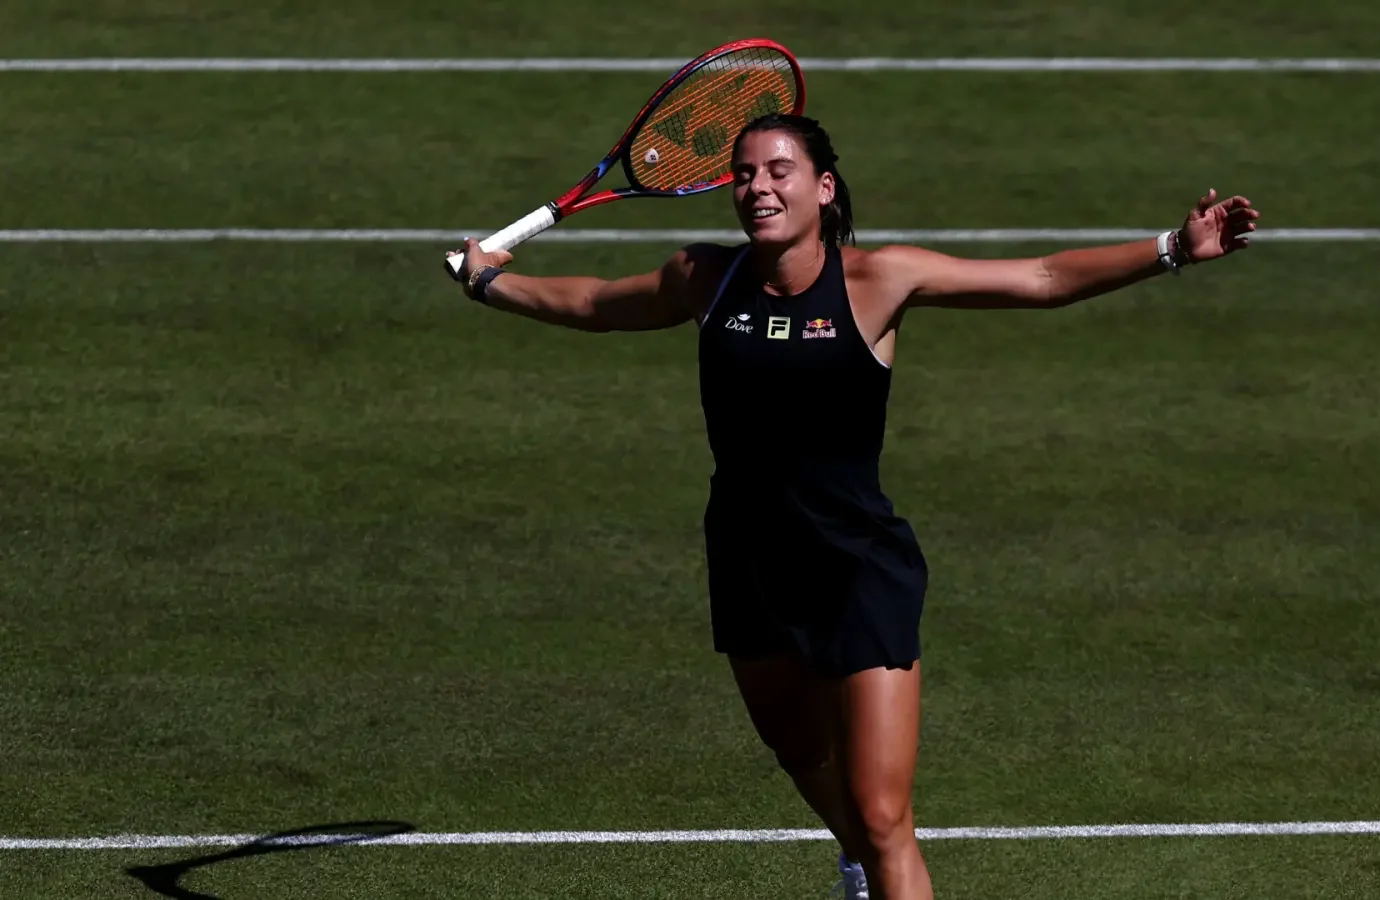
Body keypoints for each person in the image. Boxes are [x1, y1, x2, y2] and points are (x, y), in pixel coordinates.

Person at [450, 113, 1259, 900]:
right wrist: (490, 282)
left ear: (824, 188)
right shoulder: (705, 278)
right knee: (803, 755)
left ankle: (871, 858)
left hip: (856, 570)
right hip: (748, 561)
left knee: (883, 816)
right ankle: (857, 862)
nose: (757, 188)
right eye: (743, 174)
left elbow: (1041, 279)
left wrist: (1172, 248)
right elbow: (594, 303)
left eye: (779, 171)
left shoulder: (878, 280)